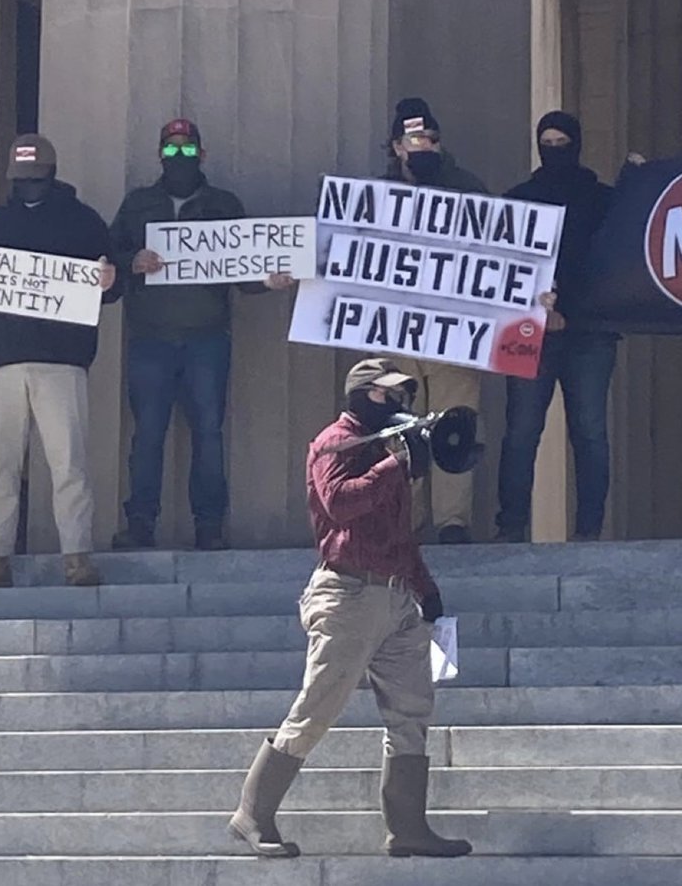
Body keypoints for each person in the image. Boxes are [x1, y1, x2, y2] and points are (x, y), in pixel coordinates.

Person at [229, 357, 471, 861]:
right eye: (385, 394)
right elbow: (339, 502)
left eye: (401, 395)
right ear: (360, 393)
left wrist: (425, 589)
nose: (396, 403)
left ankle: (407, 827)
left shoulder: (391, 442)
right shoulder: (334, 441)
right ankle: (253, 813)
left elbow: (398, 533)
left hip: (397, 594)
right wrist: (394, 465)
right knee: (318, 707)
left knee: (412, 710)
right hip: (347, 593)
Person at [0, 135, 118, 588]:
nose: (29, 186)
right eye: (22, 179)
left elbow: (113, 288)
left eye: (35, 178)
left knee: (68, 463)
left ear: (51, 174)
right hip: (1, 360)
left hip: (62, 359)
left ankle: (76, 556)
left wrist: (110, 280)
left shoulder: (84, 222)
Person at [107, 119, 293, 552]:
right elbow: (108, 262)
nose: (179, 158)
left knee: (209, 433)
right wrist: (132, 260)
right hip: (149, 339)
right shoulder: (137, 205)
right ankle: (140, 524)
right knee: (148, 433)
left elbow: (242, 268)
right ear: (159, 156)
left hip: (207, 340)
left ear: (201, 155)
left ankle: (210, 526)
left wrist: (269, 281)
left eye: (187, 151)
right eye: (170, 152)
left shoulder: (223, 205)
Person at [495, 111, 620, 542]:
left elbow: (618, 260)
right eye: (546, 142)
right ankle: (510, 527)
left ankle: (589, 531)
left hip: (591, 330)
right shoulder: (517, 201)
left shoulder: (605, 201)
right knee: (521, 431)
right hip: (529, 330)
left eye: (560, 142)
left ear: (577, 143)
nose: (553, 150)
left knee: (589, 431)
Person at [382, 97, 486, 544]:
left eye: (431, 139)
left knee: (455, 426)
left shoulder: (468, 189)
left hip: (453, 330)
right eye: (415, 139)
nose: (424, 146)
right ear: (396, 146)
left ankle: (452, 523)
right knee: (399, 431)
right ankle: (405, 521)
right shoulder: (371, 198)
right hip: (395, 329)